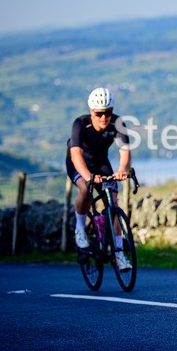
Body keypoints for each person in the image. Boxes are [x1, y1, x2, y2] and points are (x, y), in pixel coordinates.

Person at [66, 87, 132, 270]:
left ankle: (119, 254)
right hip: (78, 163)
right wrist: (88, 177)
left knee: (113, 202)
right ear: (91, 112)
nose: (104, 117)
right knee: (86, 189)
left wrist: (121, 170)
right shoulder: (80, 124)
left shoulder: (117, 123)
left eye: (108, 112)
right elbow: (76, 155)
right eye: (99, 113)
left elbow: (125, 152)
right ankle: (80, 229)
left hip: (101, 162)